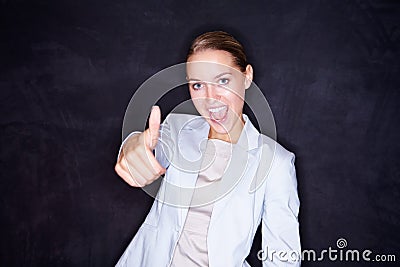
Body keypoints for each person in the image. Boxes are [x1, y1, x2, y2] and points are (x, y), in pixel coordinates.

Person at [114, 31, 301, 267]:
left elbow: (283, 259)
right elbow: (147, 149)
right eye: (198, 85)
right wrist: (132, 145)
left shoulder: (276, 163)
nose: (210, 99)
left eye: (223, 81)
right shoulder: (178, 128)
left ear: (246, 77)